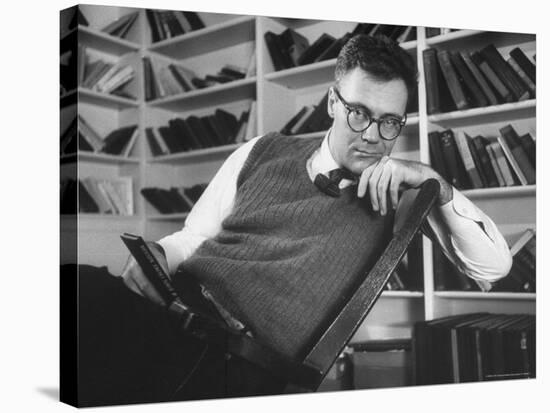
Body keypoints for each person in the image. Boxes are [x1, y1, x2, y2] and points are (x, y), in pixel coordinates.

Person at [77, 34, 512, 406]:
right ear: (332, 102)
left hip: (229, 357)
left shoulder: (403, 196)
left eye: (390, 122)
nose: (372, 136)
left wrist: (433, 181)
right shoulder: (261, 150)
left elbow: (493, 267)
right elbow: (193, 239)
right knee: (74, 286)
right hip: (173, 308)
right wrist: (159, 256)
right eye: (359, 113)